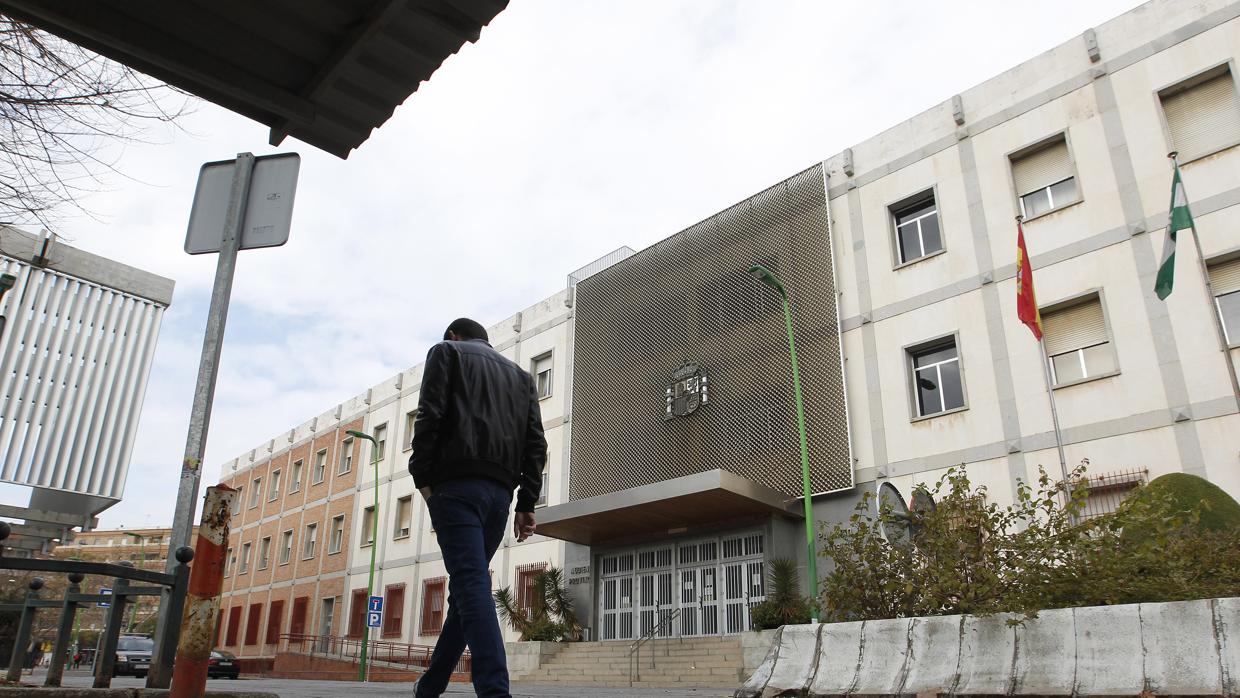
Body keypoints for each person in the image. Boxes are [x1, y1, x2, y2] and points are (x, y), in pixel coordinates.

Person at [409, 318, 546, 698]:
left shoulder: (446, 352)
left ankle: (494, 691)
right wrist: (527, 502)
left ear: (454, 336)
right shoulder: (522, 377)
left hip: (455, 487)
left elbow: (430, 415)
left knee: (470, 585)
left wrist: (422, 476)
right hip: (499, 497)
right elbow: (536, 445)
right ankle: (430, 686)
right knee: (466, 590)